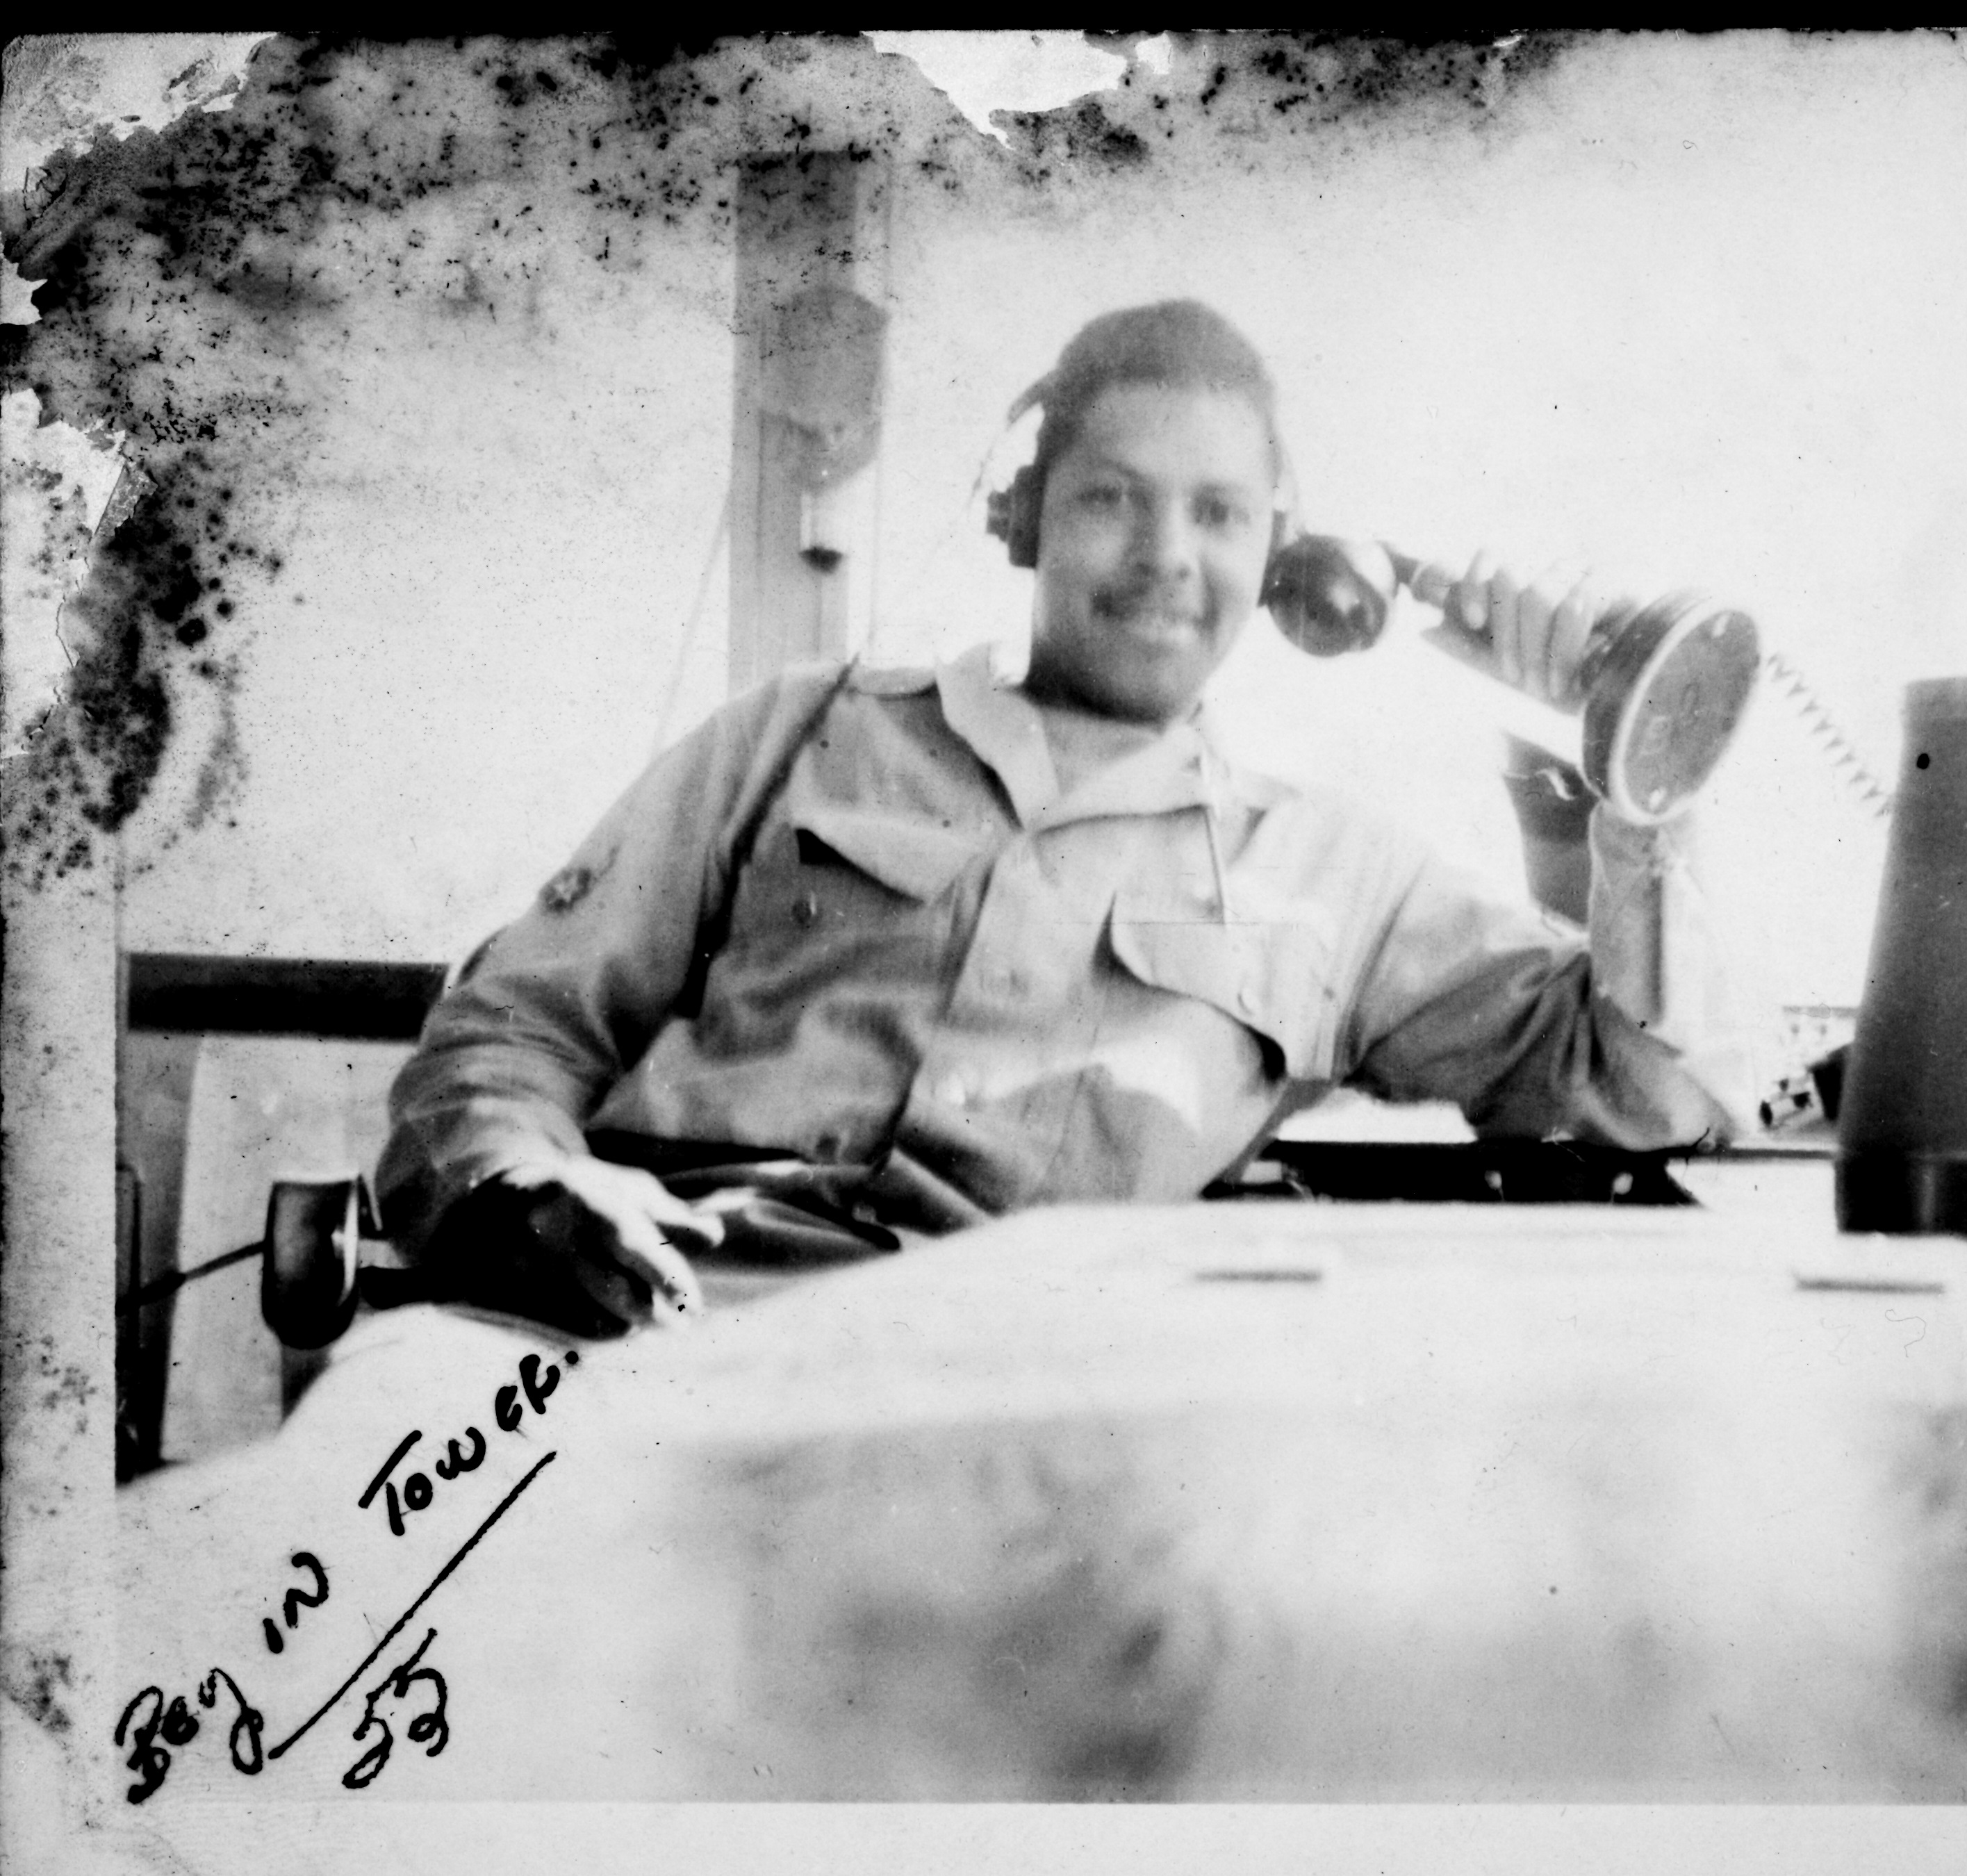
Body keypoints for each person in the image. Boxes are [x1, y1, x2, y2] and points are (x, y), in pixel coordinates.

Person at [377, 300, 1754, 1337]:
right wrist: (510, 1187)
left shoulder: (1335, 873)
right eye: (1112, 501)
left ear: (1281, 559)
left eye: (1217, 513)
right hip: (644, 1314)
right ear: (1023, 518)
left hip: (1012, 1400)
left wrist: (1629, 766)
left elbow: (1654, 1089)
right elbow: (512, 1031)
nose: (1165, 557)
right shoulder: (799, 731)